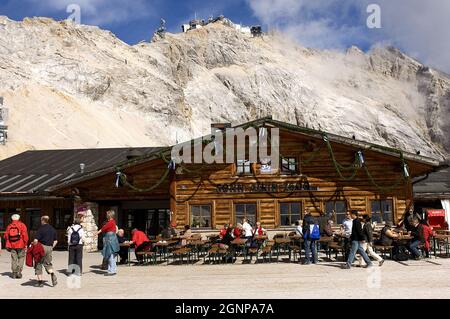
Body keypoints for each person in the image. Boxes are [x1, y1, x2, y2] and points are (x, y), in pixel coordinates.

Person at [34, 215, 58, 287]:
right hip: (49, 247)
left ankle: (40, 282)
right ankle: (52, 274)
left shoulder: (41, 229)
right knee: (47, 263)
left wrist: (33, 245)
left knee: (38, 263)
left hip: (41, 247)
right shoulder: (53, 229)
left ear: (42, 221)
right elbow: (56, 241)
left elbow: (36, 240)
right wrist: (51, 247)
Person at [4, 214, 29, 279]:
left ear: (12, 219)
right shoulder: (22, 225)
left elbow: (6, 236)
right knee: (21, 258)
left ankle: (14, 273)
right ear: (19, 218)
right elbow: (25, 236)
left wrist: (8, 242)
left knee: (14, 259)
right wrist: (26, 244)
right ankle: (19, 272)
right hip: (21, 244)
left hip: (12, 245)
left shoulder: (9, 226)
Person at [97, 210, 120, 276]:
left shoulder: (110, 222)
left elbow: (104, 228)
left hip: (110, 240)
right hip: (111, 239)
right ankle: (112, 270)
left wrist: (97, 232)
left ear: (109, 215)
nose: (106, 216)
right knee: (111, 255)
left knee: (110, 255)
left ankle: (112, 271)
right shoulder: (113, 222)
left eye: (107, 215)